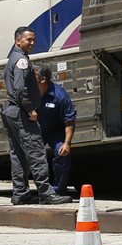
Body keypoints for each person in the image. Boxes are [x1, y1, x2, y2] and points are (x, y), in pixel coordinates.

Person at [1, 27, 70, 205]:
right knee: (36, 152)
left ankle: (20, 193)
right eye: (28, 40)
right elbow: (19, 90)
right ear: (18, 41)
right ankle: (46, 193)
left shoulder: (13, 59)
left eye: (33, 39)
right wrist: (30, 109)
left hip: (10, 111)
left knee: (18, 154)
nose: (32, 43)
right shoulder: (21, 61)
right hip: (20, 112)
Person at [35, 64, 77, 197]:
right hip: (37, 131)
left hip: (55, 132)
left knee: (61, 153)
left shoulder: (60, 96)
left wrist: (67, 143)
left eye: (32, 76)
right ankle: (25, 190)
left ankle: (59, 189)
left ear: (42, 79)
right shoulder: (29, 92)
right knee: (27, 156)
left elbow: (69, 121)